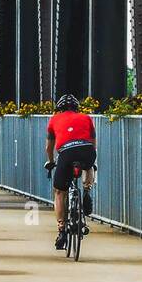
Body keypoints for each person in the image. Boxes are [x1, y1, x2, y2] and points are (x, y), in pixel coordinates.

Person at [44, 94, 96, 250]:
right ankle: (87, 190)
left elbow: (49, 147)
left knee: (60, 192)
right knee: (90, 166)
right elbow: (93, 143)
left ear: (59, 108)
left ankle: (61, 230)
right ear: (76, 108)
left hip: (66, 153)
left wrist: (51, 162)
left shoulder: (54, 120)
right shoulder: (86, 118)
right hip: (86, 150)